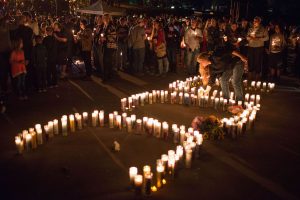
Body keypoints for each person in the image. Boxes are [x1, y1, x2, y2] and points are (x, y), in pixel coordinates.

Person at [246, 16, 269, 81]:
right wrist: (249, 38)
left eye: (256, 21)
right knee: (250, 61)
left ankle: (257, 76)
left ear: (259, 21)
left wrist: (258, 38)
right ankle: (250, 76)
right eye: (254, 21)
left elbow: (267, 38)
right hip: (251, 47)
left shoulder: (263, 29)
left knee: (257, 61)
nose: (254, 22)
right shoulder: (250, 29)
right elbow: (247, 37)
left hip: (258, 48)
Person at [101, 14, 117, 82]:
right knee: (107, 61)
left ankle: (107, 77)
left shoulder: (111, 27)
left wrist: (105, 38)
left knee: (107, 61)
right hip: (106, 45)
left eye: (104, 18)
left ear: (107, 19)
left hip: (110, 46)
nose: (103, 20)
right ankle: (108, 75)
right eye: (103, 18)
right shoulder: (105, 26)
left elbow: (114, 37)